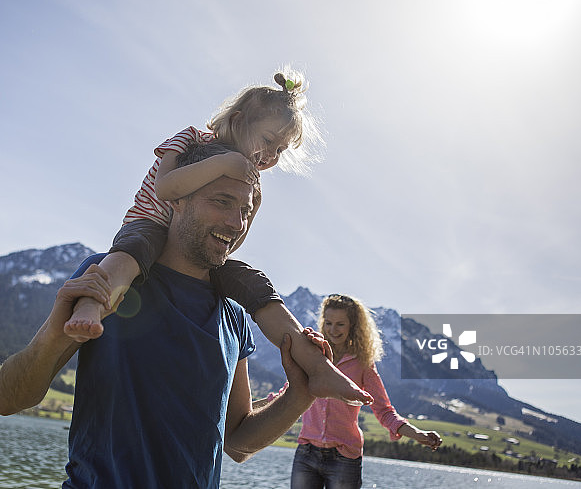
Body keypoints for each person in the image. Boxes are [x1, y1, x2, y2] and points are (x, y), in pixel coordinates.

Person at [0, 142, 331, 488]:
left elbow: (237, 441)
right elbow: (8, 400)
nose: (236, 223)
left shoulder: (233, 316)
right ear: (177, 197)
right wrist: (54, 334)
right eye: (221, 202)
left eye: (245, 211)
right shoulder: (109, 279)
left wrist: (300, 395)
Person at [62, 68, 371, 405]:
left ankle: (319, 368)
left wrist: (247, 203)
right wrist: (225, 164)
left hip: (195, 249)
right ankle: (91, 307)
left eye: (280, 150)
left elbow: (233, 239)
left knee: (256, 285)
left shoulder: (250, 181)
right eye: (268, 141)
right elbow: (165, 188)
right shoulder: (191, 139)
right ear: (238, 121)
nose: (271, 156)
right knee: (127, 257)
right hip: (148, 224)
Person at [289, 294, 442, 489]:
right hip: (306, 454)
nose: (333, 330)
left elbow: (384, 411)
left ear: (352, 325)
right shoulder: (312, 356)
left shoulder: (362, 364)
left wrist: (417, 434)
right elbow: (289, 393)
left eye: (340, 324)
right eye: (328, 323)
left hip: (344, 458)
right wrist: (254, 410)